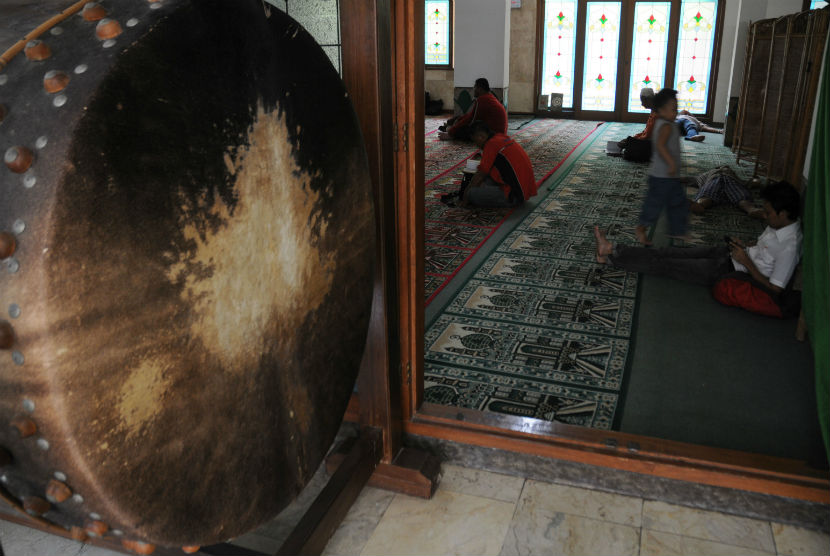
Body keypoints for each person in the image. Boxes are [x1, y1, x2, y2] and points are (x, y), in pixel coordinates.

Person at [593, 181, 802, 296]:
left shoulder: (789, 246)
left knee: (667, 264)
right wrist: (747, 245)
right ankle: (610, 251)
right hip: (730, 255)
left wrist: (747, 261)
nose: (763, 216)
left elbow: (776, 289)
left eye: (768, 213)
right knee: (667, 252)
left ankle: (611, 253)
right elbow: (764, 248)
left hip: (731, 272)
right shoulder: (779, 224)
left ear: (783, 213)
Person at [636, 87, 686, 245]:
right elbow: (660, 146)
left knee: (678, 202)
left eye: (676, 108)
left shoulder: (668, 123)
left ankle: (677, 231)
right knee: (654, 205)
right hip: (661, 176)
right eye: (673, 109)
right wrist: (671, 163)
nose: (676, 112)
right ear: (661, 110)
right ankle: (641, 227)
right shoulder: (664, 126)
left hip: (671, 176)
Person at [461, 121, 536, 208]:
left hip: (515, 195)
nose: (476, 145)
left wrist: (465, 196)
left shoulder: (491, 145)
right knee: (486, 180)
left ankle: (509, 200)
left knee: (472, 193)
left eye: (475, 141)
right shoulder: (500, 137)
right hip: (526, 189)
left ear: (480, 136)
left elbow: (480, 175)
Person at [438, 77, 508, 141]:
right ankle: (449, 128)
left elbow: (470, 120)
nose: (474, 89)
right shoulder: (489, 97)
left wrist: (451, 132)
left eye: (475, 87)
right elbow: (471, 115)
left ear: (480, 89)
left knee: (465, 129)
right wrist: (458, 119)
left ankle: (449, 130)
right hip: (499, 132)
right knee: (459, 120)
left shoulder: (482, 99)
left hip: (494, 134)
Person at [689, 165, 765, 219]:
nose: (724, 167)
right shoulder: (709, 174)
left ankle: (751, 209)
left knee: (741, 194)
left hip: (731, 182)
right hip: (715, 181)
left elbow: (750, 183)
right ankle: (699, 205)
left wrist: (756, 180)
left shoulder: (733, 177)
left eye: (726, 168)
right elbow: (693, 179)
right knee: (708, 192)